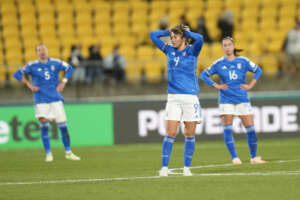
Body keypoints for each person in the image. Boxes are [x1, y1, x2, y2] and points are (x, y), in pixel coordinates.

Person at [200, 37, 266, 165]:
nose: (227, 47)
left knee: (250, 129)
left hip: (242, 99)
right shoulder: (218, 63)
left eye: (229, 45)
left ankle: (254, 157)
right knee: (228, 129)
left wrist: (251, 85)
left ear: (233, 46)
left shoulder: (243, 61)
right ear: (222, 48)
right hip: (226, 100)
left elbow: (258, 70)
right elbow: (203, 75)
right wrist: (216, 86)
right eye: (224, 45)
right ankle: (235, 158)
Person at [150, 24, 204, 176]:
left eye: (175, 37)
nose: (172, 40)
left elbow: (200, 38)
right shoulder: (168, 50)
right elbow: (152, 35)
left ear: (184, 38)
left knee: (190, 133)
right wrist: (170, 31)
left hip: (190, 97)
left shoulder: (192, 51)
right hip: (173, 97)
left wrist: (186, 32)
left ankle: (187, 168)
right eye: (171, 37)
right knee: (171, 132)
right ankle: (164, 168)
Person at [13, 43, 80, 162]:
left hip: (56, 98)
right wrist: (29, 85)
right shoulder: (32, 65)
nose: (42, 52)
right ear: (37, 53)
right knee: (44, 126)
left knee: (63, 127)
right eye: (39, 50)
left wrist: (63, 82)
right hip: (41, 101)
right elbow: (17, 74)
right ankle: (48, 154)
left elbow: (69, 68)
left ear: (47, 51)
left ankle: (68, 152)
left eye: (44, 49)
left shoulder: (55, 62)